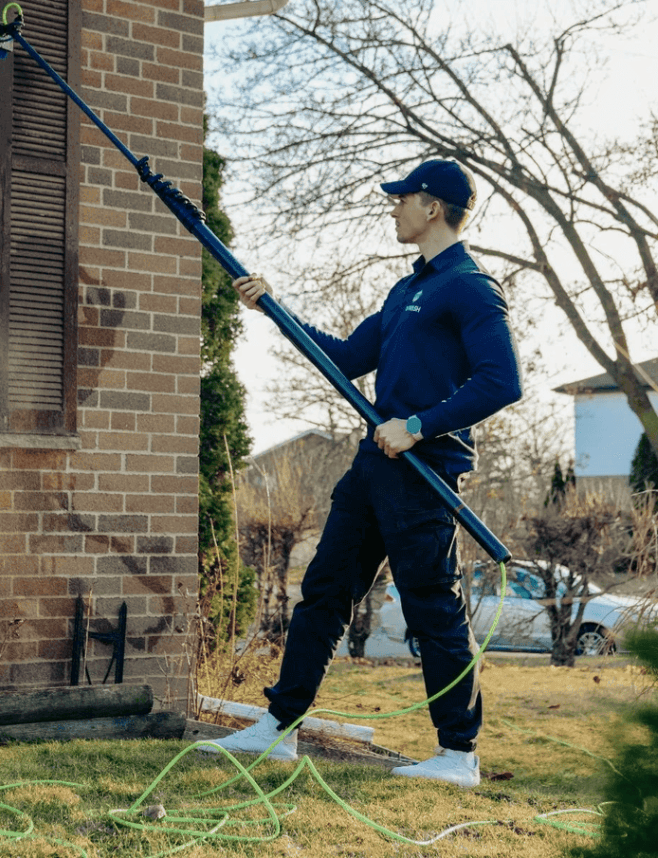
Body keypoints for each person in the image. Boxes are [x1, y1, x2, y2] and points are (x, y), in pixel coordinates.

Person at [203, 159, 522, 787]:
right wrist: (272, 305)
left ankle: (458, 754)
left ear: (433, 207)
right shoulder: (407, 292)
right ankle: (279, 729)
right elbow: (347, 356)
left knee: (433, 608)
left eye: (401, 198)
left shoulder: (470, 287)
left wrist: (420, 424)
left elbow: (501, 380)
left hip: (424, 471)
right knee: (323, 592)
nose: (393, 207)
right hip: (374, 468)